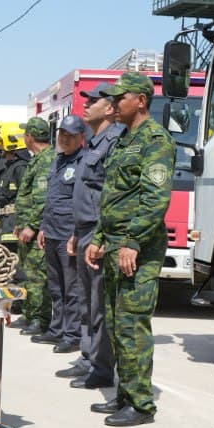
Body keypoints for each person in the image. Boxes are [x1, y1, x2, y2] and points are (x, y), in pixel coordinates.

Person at [84, 71, 174, 427]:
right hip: (115, 245)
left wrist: (133, 241)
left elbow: (155, 198)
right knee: (116, 323)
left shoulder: (156, 140)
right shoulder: (123, 140)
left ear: (140, 100)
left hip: (138, 248)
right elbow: (115, 196)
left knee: (132, 324)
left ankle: (141, 404)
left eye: (120, 98)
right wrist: (101, 239)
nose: (113, 104)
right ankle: (124, 394)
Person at [63, 83, 123, 390]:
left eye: (93, 102)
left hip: (99, 234)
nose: (86, 106)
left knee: (99, 304)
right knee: (86, 302)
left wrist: (100, 238)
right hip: (84, 230)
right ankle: (88, 359)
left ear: (110, 108)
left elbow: (109, 195)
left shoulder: (115, 142)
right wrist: (76, 233)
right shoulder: (94, 143)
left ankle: (101, 367)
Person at [32, 115, 85, 354]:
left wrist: (77, 233)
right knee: (55, 286)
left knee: (71, 288)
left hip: (68, 235)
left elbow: (81, 202)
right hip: (52, 231)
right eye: (62, 134)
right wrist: (43, 227)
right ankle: (56, 329)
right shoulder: (58, 161)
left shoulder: (83, 162)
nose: (64, 138)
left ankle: (72, 334)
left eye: (70, 135)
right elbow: (51, 199)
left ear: (81, 138)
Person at [13, 117, 54, 336]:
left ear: (30, 137)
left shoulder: (47, 160)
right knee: (29, 273)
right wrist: (21, 224)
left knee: (38, 276)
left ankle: (40, 318)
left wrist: (32, 225)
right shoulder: (37, 159)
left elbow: (43, 198)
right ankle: (29, 313)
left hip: (38, 230)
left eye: (25, 134)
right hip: (28, 227)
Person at [0, 124, 31, 255]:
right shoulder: (11, 167)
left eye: (1, 141)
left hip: (14, 226)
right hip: (6, 224)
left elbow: (27, 197)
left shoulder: (21, 168)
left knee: (16, 270)